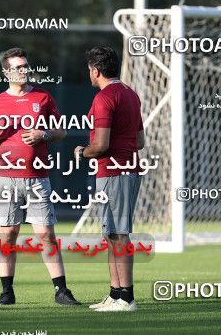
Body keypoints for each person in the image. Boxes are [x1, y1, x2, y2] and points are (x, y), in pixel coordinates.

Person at [0, 47, 80, 306]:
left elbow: (61, 131)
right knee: (8, 234)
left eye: (25, 66)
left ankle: (61, 291)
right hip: (6, 178)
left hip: (37, 177)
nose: (23, 71)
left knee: (45, 233)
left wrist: (42, 134)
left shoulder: (44, 97)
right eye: (17, 67)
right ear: (5, 72)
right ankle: (6, 292)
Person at [74, 47, 144, 312]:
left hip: (114, 171)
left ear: (96, 70)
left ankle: (127, 297)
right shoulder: (130, 94)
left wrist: (82, 152)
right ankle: (115, 295)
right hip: (124, 169)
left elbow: (100, 145)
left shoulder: (104, 98)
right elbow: (140, 141)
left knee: (119, 234)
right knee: (113, 234)